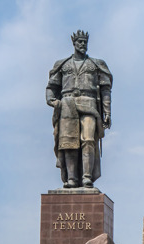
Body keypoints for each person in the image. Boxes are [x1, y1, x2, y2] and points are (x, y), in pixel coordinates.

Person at [46, 30, 113, 188]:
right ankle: (71, 178)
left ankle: (87, 177)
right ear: (74, 44)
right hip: (67, 104)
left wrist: (107, 112)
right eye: (80, 42)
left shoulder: (96, 64)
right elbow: (51, 87)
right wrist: (52, 101)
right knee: (68, 143)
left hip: (89, 103)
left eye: (85, 42)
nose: (83, 45)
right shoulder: (63, 64)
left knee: (88, 139)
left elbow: (105, 89)